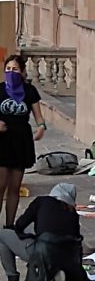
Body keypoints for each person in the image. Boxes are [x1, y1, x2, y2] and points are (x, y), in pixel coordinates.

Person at [0, 183, 94, 281]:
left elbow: (20, 224)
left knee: (2, 235)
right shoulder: (72, 213)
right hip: (67, 259)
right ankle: (57, 273)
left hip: (44, 252)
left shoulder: (42, 201)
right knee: (48, 243)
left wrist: (27, 235)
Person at [0, 55, 46, 227]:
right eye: (8, 69)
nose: (11, 73)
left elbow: (38, 117)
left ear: (22, 71)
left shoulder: (29, 91)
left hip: (21, 141)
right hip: (2, 141)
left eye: (15, 69)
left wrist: (41, 128)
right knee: (1, 185)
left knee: (14, 186)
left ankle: (9, 225)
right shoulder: (0, 90)